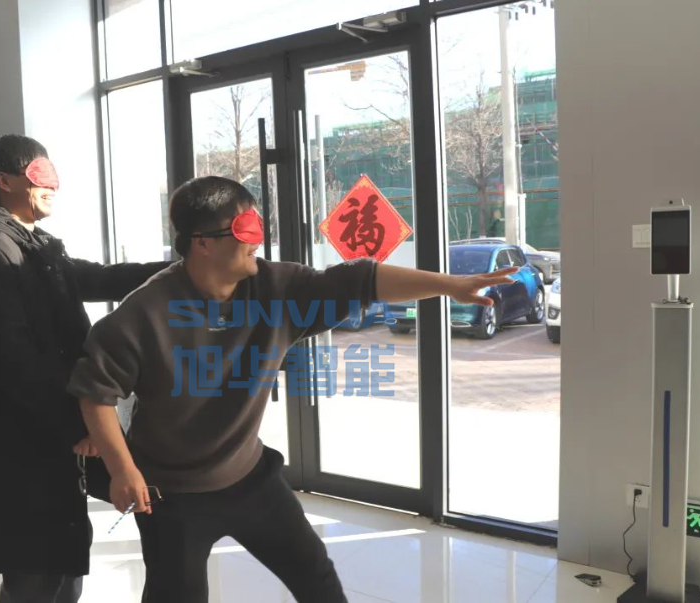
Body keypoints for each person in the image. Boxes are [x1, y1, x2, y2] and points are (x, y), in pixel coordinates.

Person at [66, 176, 516, 603]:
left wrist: (451, 286)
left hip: (250, 478)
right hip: (171, 494)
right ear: (202, 242)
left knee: (317, 579)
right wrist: (123, 470)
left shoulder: (275, 287)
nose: (257, 240)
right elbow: (96, 393)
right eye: (244, 228)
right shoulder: (143, 313)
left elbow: (364, 279)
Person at [0, 134, 168, 603]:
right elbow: (11, 359)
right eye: (38, 175)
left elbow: (97, 277)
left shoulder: (34, 244)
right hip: (20, 438)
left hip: (47, 429)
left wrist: (176, 271)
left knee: (60, 561)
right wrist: (80, 423)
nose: (53, 185)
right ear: (4, 181)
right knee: (36, 567)